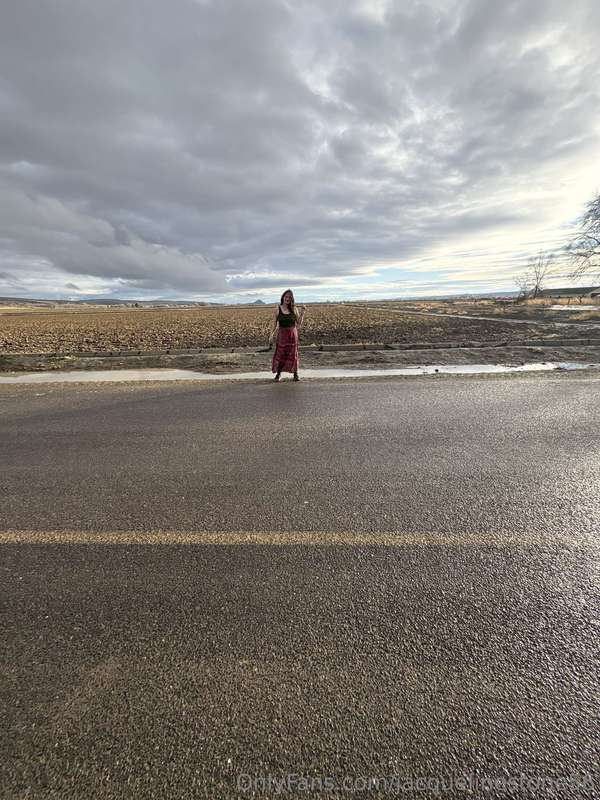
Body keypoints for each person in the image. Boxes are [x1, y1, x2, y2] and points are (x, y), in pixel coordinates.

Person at [269, 289, 306, 381]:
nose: (287, 299)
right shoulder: (277, 309)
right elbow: (274, 324)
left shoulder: (294, 309)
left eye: (289, 297)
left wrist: (303, 312)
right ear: (283, 297)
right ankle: (278, 374)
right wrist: (271, 335)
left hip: (293, 334)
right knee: (281, 354)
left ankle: (295, 374)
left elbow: (299, 323)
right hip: (282, 335)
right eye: (286, 297)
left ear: (291, 299)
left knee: (293, 354)